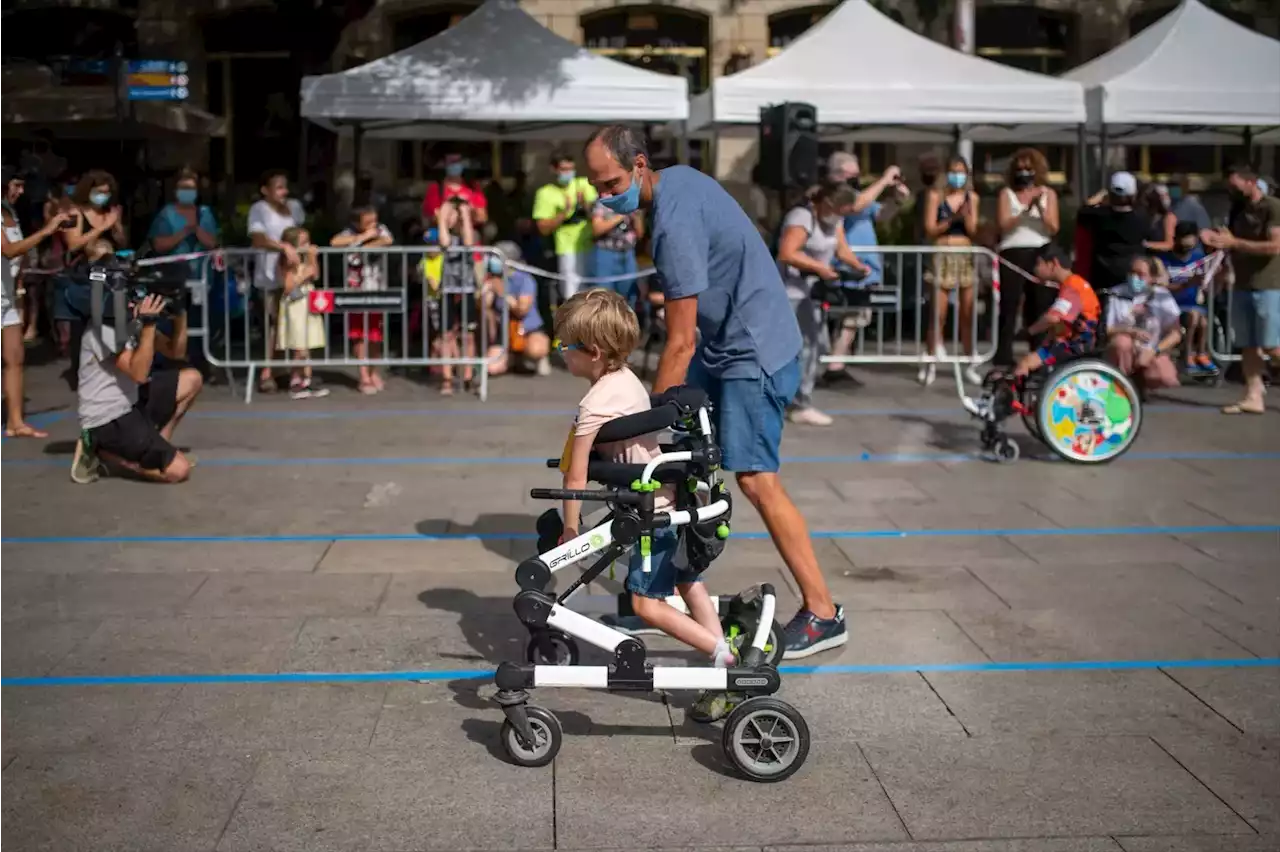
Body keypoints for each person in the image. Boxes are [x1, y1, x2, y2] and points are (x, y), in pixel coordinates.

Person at [582, 124, 846, 687]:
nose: (604, 198)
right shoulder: (676, 182)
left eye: (609, 185)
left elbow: (680, 342)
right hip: (730, 341)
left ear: (638, 166)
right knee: (679, 461)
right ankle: (659, 590)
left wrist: (639, 425)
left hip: (750, 348)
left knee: (754, 478)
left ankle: (823, 612)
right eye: (595, 187)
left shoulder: (672, 225)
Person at [555, 289, 738, 669]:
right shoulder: (626, 378)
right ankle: (721, 646)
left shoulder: (592, 406)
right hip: (676, 494)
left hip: (649, 507)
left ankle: (720, 655)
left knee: (646, 603)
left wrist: (570, 530)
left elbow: (575, 478)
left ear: (592, 351)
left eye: (564, 344)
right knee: (687, 579)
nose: (560, 351)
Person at [70, 241, 202, 485]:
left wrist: (180, 313)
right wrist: (149, 325)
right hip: (108, 418)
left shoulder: (128, 317)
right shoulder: (103, 328)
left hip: (131, 403)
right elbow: (138, 374)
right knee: (178, 471)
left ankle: (159, 445)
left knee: (191, 379)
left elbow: (175, 353)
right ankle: (105, 453)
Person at [775, 181, 868, 426]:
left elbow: (842, 249)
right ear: (829, 203)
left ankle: (800, 401)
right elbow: (787, 252)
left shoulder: (834, 220)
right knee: (792, 349)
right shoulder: (802, 217)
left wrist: (858, 267)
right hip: (788, 294)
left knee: (814, 346)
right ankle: (787, 401)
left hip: (811, 294)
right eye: (843, 211)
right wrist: (820, 268)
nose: (843, 216)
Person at [1201, 162, 1280, 415]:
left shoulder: (1272, 207)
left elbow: (1274, 246)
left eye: (1235, 184)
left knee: (1271, 345)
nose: (1231, 189)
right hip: (1243, 283)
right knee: (1248, 344)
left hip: (1269, 284)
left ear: (1250, 181)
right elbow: (1229, 240)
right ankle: (1253, 395)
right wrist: (1214, 238)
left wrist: (1235, 242)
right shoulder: (1238, 209)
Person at [1, 167, 70, 438]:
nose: (19, 191)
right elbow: (8, 250)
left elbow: (18, 257)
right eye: (14, 185)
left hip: (6, 296)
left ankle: (15, 422)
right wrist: (47, 231)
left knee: (15, 358)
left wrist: (18, 286)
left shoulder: (10, 214)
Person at [825, 152, 907, 377]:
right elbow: (856, 206)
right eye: (852, 174)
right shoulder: (837, 196)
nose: (856, 179)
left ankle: (837, 363)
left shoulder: (860, 194)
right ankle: (835, 366)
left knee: (854, 318)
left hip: (865, 269)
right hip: (847, 266)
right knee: (849, 317)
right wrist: (883, 179)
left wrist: (896, 200)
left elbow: (880, 215)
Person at [995, 148, 1060, 368]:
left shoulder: (1048, 193)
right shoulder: (1007, 194)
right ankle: (1003, 354)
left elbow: (1053, 227)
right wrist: (1023, 212)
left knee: (1040, 304)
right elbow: (1003, 224)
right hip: (1012, 250)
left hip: (1039, 250)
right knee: (1010, 304)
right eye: (1020, 168)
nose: (1024, 172)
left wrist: (1039, 209)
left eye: (1028, 168)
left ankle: (1038, 354)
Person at [920, 154, 982, 386]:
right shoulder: (936, 196)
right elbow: (930, 228)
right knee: (939, 313)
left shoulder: (971, 198)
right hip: (943, 252)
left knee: (967, 313)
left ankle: (970, 362)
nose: (958, 176)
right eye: (953, 171)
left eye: (961, 172)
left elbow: (974, 230)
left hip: (964, 254)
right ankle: (931, 361)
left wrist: (966, 219)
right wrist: (950, 220)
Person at [60, 170, 126, 382]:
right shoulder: (75, 212)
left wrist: (116, 225)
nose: (103, 196)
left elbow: (122, 242)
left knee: (111, 319)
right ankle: (79, 370)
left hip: (109, 273)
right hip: (84, 274)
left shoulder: (111, 211)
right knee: (82, 324)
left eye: (106, 192)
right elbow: (73, 243)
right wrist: (102, 227)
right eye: (99, 192)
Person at [247, 169, 307, 394]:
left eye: (285, 187)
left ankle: (289, 372)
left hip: (293, 274)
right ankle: (267, 372)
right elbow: (257, 238)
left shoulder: (295, 207)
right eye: (279, 187)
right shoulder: (259, 209)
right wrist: (283, 246)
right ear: (266, 190)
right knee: (271, 325)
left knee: (292, 323)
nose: (284, 191)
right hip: (269, 276)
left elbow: (300, 233)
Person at [331, 206, 394, 394]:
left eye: (374, 220)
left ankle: (374, 372)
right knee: (358, 334)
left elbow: (387, 240)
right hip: (355, 289)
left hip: (376, 288)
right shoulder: (349, 233)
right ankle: (363, 375)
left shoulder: (381, 230)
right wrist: (363, 237)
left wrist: (364, 242)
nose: (372, 225)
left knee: (375, 334)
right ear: (357, 222)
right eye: (367, 222)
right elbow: (334, 242)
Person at [1013, 243, 1100, 380]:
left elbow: (1053, 318)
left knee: (1026, 363)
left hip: (1075, 346)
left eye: (1038, 264)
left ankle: (1014, 399)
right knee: (1032, 359)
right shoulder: (1075, 284)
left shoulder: (1072, 287)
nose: (1035, 270)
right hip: (1076, 342)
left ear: (1053, 263)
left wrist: (1029, 331)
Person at [1104, 255, 1182, 392]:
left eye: (1141, 274)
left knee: (1166, 377)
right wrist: (1130, 331)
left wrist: (1154, 351)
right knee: (1121, 343)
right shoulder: (1116, 293)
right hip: (1126, 348)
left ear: (1151, 278)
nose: (1135, 278)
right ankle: (1122, 384)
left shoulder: (1162, 296)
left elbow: (1176, 334)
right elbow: (1108, 329)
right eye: (1132, 273)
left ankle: (1142, 384)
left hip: (1150, 349)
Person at [533, 149, 597, 304]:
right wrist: (564, 214)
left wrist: (584, 205)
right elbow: (543, 228)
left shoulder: (583, 184)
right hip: (567, 249)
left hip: (591, 246)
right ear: (554, 169)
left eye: (571, 169)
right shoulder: (545, 193)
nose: (569, 173)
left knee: (594, 294)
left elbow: (598, 213)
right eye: (564, 170)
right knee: (572, 295)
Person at [1076, 171, 1150, 300]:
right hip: (1133, 278)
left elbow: (1084, 208)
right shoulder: (1141, 218)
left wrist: (1102, 193)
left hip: (1102, 279)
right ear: (1133, 195)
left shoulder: (1097, 216)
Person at [482, 241, 551, 377]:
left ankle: (536, 357)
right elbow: (484, 307)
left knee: (535, 349)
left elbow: (522, 309)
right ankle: (513, 359)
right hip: (504, 330)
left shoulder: (525, 279)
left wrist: (503, 293)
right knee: (491, 367)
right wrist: (486, 293)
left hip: (526, 328)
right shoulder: (493, 279)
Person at [1163, 222, 1216, 375]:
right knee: (1193, 317)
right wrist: (1186, 284)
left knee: (1203, 321)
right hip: (1174, 304)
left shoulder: (1199, 259)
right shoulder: (1166, 260)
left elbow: (1207, 281)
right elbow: (1163, 286)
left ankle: (1201, 354)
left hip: (1194, 304)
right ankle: (1186, 355)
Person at [589, 198, 644, 307]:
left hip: (628, 254)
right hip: (606, 254)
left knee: (629, 296)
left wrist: (636, 218)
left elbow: (640, 234)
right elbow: (597, 229)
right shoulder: (602, 202)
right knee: (604, 297)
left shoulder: (631, 202)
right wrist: (621, 216)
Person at [421, 152, 487, 228]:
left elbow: (483, 217)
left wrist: (471, 212)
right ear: (444, 164)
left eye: (458, 161)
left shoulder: (473, 187)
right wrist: (446, 215)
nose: (455, 165)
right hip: (443, 233)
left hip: (470, 233)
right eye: (452, 162)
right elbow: (428, 218)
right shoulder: (435, 188)